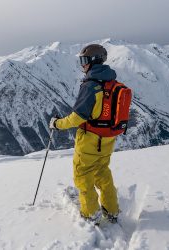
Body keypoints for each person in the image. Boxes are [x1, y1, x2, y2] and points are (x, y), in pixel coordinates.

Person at [49, 44, 119, 224]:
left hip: (90, 140)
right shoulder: (112, 83)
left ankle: (90, 213)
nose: (82, 65)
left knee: (83, 175)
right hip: (108, 139)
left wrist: (57, 124)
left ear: (93, 61)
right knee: (102, 172)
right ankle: (111, 210)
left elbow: (77, 118)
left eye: (84, 61)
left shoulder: (91, 86)